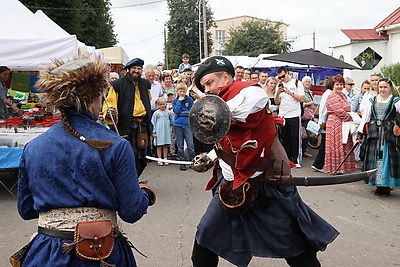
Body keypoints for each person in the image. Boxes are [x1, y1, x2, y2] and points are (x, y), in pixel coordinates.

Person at [190, 56, 338, 267]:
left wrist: (205, 106)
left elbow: (229, 112)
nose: (207, 89)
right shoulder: (216, 105)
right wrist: (210, 157)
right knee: (203, 245)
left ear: (225, 77)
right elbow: (228, 143)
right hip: (230, 187)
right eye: (204, 86)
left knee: (298, 253)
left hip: (266, 187)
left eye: (210, 82)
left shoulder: (251, 92)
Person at [16, 58, 156, 266]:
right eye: (101, 97)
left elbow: (26, 209)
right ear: (92, 99)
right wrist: (145, 194)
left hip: (47, 254)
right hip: (101, 253)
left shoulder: (33, 147)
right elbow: (131, 211)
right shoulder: (116, 145)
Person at [103, 58, 152, 177]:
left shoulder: (145, 84)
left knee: (142, 158)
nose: (136, 71)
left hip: (142, 126)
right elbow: (109, 104)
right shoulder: (117, 85)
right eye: (134, 68)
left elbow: (148, 100)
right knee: (130, 156)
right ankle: (130, 182)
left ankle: (134, 179)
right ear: (128, 69)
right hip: (126, 127)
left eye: (139, 69)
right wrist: (110, 112)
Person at [357, 78, 400, 196]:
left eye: (385, 87)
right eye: (380, 87)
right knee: (376, 158)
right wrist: (360, 131)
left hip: (389, 134)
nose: (382, 89)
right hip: (375, 133)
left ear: (390, 88)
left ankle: (386, 185)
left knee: (387, 158)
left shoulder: (396, 101)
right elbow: (366, 116)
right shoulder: (372, 100)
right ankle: (377, 184)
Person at [324, 74, 355, 175]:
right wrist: (351, 118)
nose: (340, 86)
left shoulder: (342, 95)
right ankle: (336, 168)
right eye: (337, 84)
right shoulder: (332, 96)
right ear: (332, 85)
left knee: (345, 144)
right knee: (336, 145)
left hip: (343, 123)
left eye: (341, 84)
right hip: (335, 123)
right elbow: (339, 111)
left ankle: (344, 167)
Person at [274, 66, 305, 167]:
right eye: (280, 77)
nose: (282, 79)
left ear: (287, 73)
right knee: (284, 138)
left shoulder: (297, 83)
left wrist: (290, 93)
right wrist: (278, 93)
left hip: (294, 114)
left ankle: (296, 160)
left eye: (283, 76)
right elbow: (276, 102)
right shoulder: (279, 85)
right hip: (283, 114)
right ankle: (286, 159)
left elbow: (301, 99)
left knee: (295, 137)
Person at [311, 77, 333, 173]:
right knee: (324, 144)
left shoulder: (328, 93)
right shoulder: (328, 94)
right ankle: (318, 164)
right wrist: (322, 121)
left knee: (325, 143)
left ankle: (319, 164)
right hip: (326, 122)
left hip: (326, 121)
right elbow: (323, 109)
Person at [172, 82, 195, 171]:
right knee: (180, 144)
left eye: (184, 91)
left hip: (187, 124)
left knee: (190, 144)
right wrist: (179, 102)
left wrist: (183, 114)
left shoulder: (189, 100)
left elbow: (191, 111)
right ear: (177, 91)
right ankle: (182, 161)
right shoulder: (175, 101)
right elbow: (176, 111)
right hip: (178, 124)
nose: (182, 93)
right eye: (180, 91)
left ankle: (192, 161)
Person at [151, 96, 174, 166]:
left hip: (166, 131)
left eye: (163, 104)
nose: (162, 106)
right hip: (159, 131)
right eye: (160, 104)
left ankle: (165, 158)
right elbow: (153, 122)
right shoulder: (156, 113)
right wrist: (153, 132)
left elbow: (172, 120)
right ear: (157, 105)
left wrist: (173, 126)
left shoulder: (169, 112)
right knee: (159, 146)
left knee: (165, 145)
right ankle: (159, 158)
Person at [301, 76, 315, 158]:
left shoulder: (310, 92)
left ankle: (304, 150)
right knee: (304, 134)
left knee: (308, 134)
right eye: (306, 82)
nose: (308, 83)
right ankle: (302, 151)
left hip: (309, 115)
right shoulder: (301, 92)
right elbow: (300, 103)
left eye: (309, 82)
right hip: (303, 116)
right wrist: (309, 103)